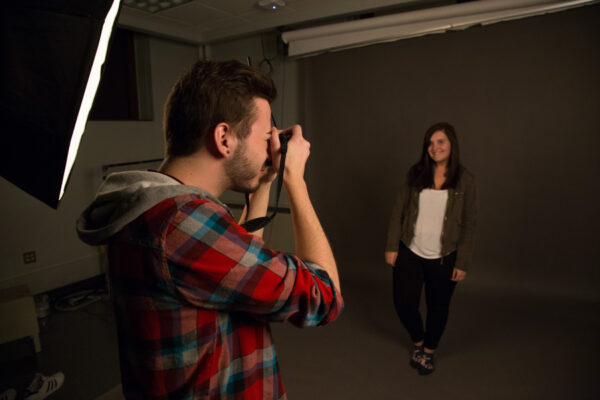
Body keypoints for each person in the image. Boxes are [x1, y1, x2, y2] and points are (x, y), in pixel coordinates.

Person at [77, 60, 343, 399]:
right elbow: (324, 296)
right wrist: (295, 180)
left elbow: (238, 268)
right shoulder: (181, 224)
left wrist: (264, 181)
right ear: (223, 138)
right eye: (265, 137)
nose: (271, 147)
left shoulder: (154, 207)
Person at [384, 122, 477, 375]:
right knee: (403, 303)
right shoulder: (415, 174)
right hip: (409, 250)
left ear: (451, 145)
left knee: (438, 307)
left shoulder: (465, 180)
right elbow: (398, 212)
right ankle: (418, 342)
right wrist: (392, 246)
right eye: (431, 143)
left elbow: (469, 224)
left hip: (445, 257)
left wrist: (462, 263)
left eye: (441, 142)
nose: (435, 147)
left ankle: (429, 352)